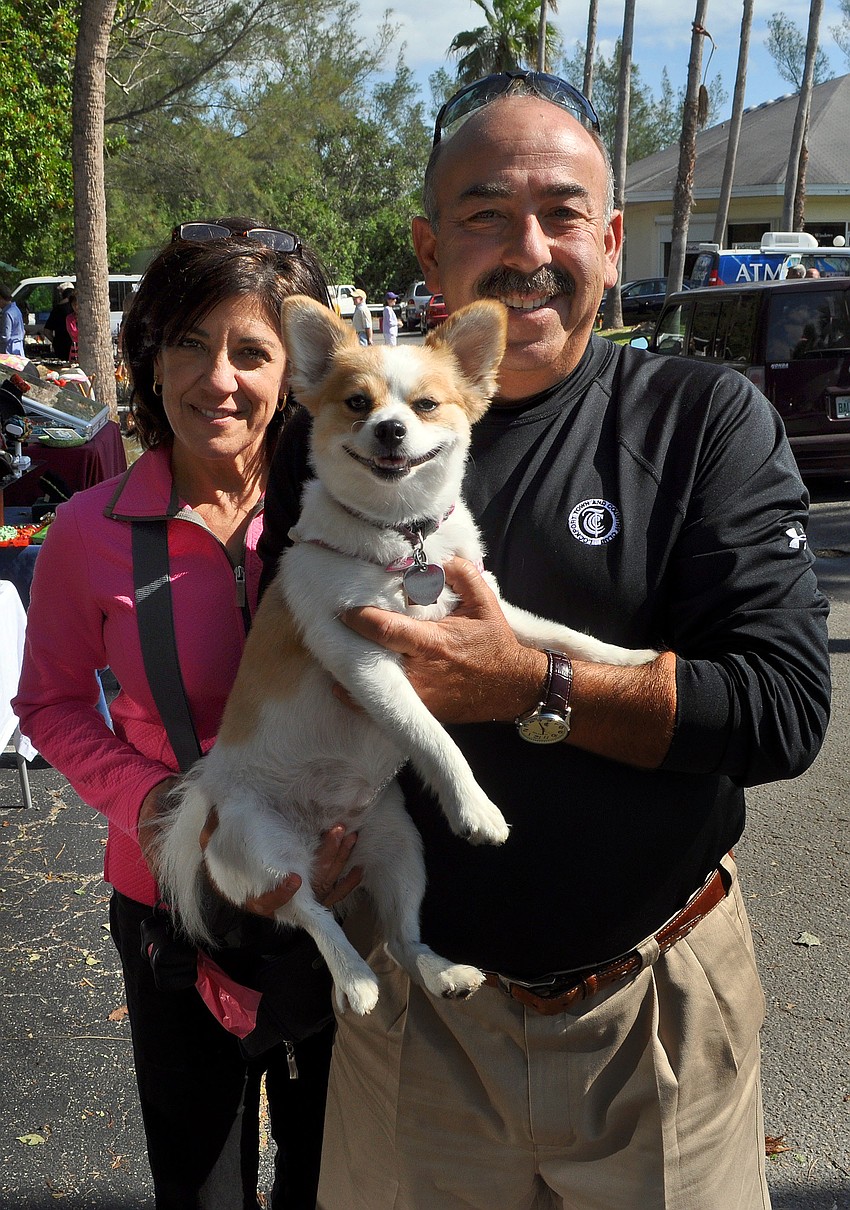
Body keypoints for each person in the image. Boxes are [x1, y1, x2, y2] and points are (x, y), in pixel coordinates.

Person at [258, 71, 831, 1209]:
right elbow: (275, 663)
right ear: (429, 251)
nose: (529, 247)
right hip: (415, 1011)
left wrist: (529, 684)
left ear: (612, 242)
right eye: (485, 213)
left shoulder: (702, 421)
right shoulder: (324, 443)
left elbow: (781, 709)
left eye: (563, 212)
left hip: (651, 1013)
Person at [14, 218, 360, 1210]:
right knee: (200, 1184)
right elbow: (46, 701)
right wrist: (157, 804)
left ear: (291, 371)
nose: (219, 379)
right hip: (174, 910)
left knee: (332, 1179)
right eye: (189, 344)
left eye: (252, 352)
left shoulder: (347, 514)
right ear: (148, 359)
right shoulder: (86, 532)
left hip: (335, 898)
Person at [44, 281, 74, 361]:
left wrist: (56, 342)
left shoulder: (57, 309)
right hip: (75, 348)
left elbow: (47, 331)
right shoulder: (78, 310)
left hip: (61, 348)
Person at [0, 282, 25, 357]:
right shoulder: (15, 309)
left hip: (10, 352)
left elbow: (5, 337)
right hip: (18, 348)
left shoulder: (7, 313)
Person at [65, 290, 79, 362]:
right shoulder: (69, 318)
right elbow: (72, 335)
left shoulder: (88, 318)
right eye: (74, 304)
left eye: (78, 304)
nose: (76, 307)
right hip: (75, 348)